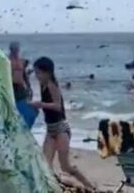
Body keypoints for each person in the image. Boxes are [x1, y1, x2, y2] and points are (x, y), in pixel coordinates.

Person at [32, 57, 95, 190]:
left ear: (47, 72)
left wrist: (40, 104)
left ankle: (89, 185)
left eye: (38, 73)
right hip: (50, 130)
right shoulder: (42, 84)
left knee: (65, 166)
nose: (36, 76)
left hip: (61, 129)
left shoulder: (51, 85)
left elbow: (57, 106)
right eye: (35, 72)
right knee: (46, 165)